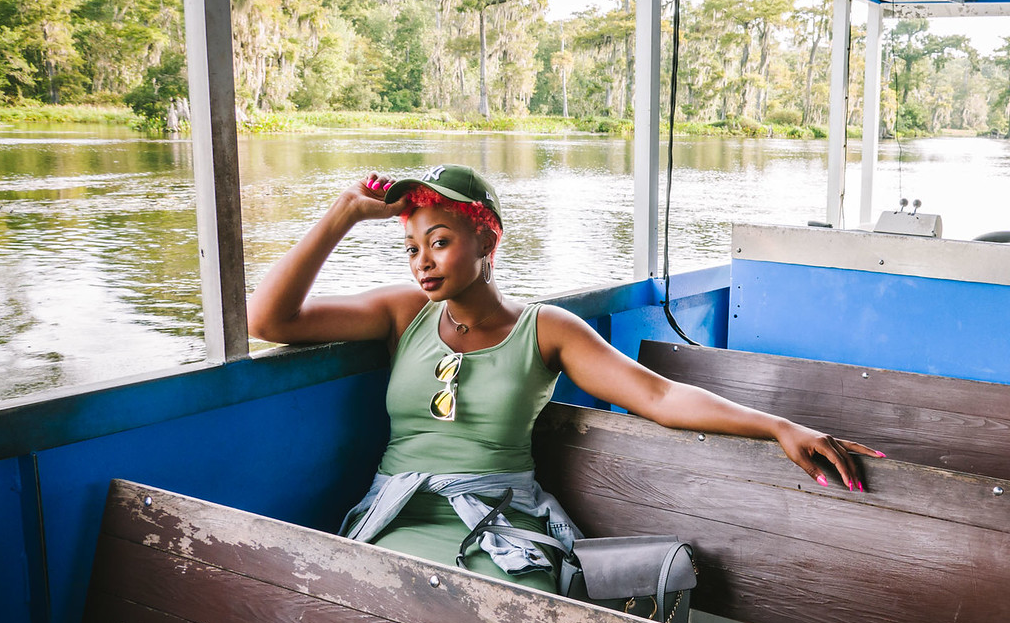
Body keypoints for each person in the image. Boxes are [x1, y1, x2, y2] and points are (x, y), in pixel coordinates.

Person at [246, 164, 876, 593]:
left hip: (494, 526)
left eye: (439, 241)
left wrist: (777, 426)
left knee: (496, 611)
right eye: (411, 248)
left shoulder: (545, 329)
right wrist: (342, 214)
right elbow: (267, 319)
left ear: (486, 242)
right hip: (397, 513)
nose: (422, 262)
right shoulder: (403, 313)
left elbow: (656, 394)